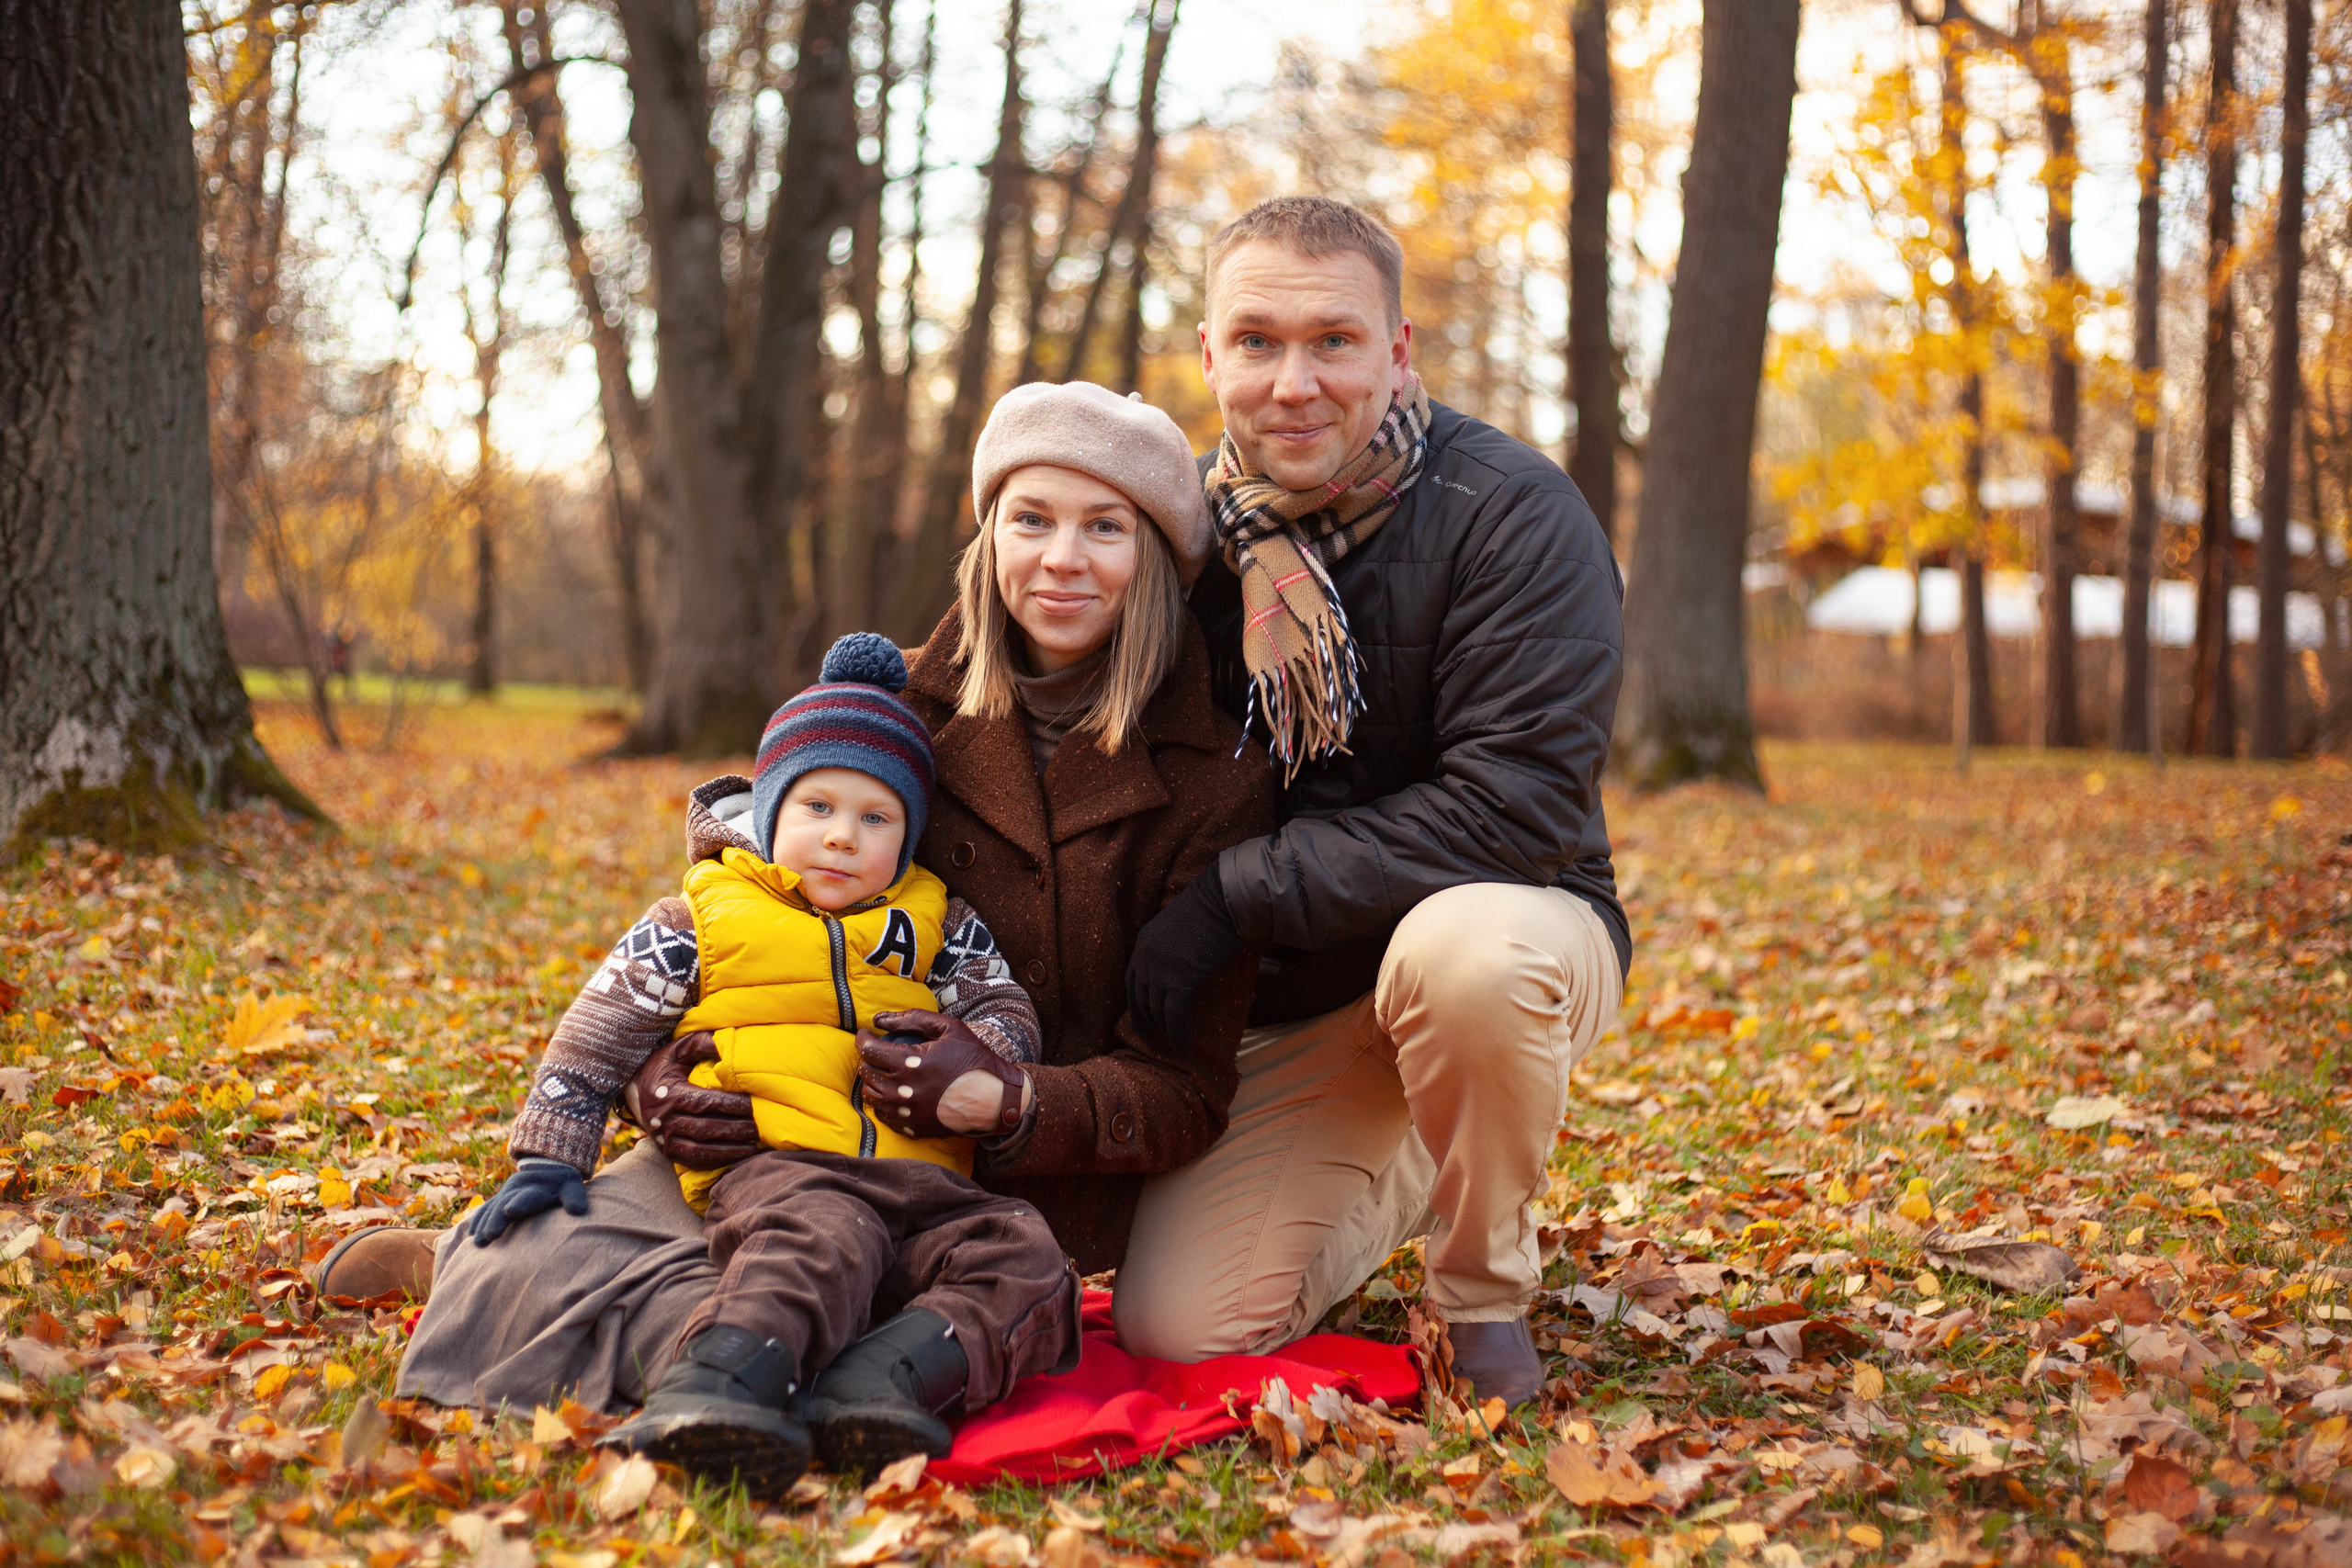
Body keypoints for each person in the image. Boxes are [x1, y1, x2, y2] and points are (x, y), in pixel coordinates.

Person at [373, 385, 1274, 1435]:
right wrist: (661, 1073)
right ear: (989, 539)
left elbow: (1180, 1086)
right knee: (560, 1246)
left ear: (1155, 559)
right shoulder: (897, 710)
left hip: (998, 1174)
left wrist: (1010, 1097)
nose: (1061, 559)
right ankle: (578, 1305)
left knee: (939, 1274)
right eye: (1030, 519)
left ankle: (810, 1366)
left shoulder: (1220, 777)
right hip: (786, 1121)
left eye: (1105, 527)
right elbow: (757, 893)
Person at [1110, 197, 1630, 1408]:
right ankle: (1395, 1146)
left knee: (1466, 958)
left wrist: (1233, 896)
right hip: (1289, 1003)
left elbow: (1514, 812)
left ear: (1398, 350)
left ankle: (1484, 1294)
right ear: (1208, 356)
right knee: (1181, 1328)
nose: (1294, 382)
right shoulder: (1174, 536)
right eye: (1256, 341)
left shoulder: (1514, 514)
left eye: (1334, 341)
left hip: (1514, 927)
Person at [458, 634, 1077, 1495]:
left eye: (875, 818)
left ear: (908, 834)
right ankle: (714, 1387)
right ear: (772, 807)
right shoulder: (705, 912)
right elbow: (602, 1024)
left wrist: (990, 1054)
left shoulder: (935, 918)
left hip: (927, 1176)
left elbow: (1001, 1003)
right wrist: (551, 1150)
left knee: (1026, 1255)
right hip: (787, 1160)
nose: (841, 839)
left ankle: (885, 1378)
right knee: (816, 1247)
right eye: (817, 808)